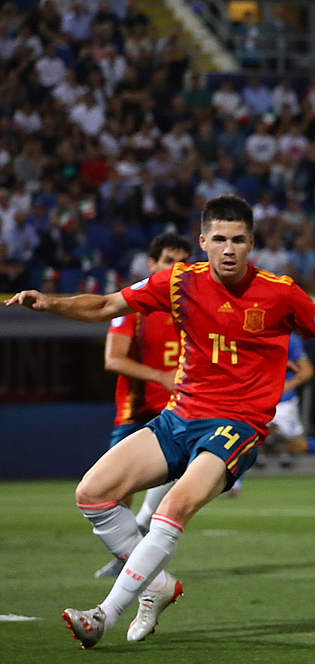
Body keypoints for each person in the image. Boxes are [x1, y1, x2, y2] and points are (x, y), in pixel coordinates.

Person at [5, 194, 315, 649]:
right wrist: (50, 302)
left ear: (251, 243)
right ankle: (158, 585)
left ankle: (104, 615)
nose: (228, 249)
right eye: (219, 239)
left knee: (172, 507)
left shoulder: (281, 292)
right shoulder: (179, 281)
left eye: (238, 240)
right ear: (202, 241)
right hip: (180, 416)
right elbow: (106, 305)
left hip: (237, 425)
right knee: (92, 493)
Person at [92, 233, 193, 579]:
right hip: (135, 411)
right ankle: (130, 552)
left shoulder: (194, 305)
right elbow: (113, 359)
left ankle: (140, 554)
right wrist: (160, 376)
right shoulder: (133, 303)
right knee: (113, 491)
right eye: (168, 261)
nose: (175, 269)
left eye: (182, 263)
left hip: (178, 411)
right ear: (152, 264)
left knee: (180, 482)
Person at [266, 333, 315, 469]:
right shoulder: (251, 334)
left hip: (283, 403)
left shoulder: (290, 340)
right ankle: (238, 479)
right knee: (246, 434)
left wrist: (286, 386)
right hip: (258, 400)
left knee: (297, 444)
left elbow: (307, 371)